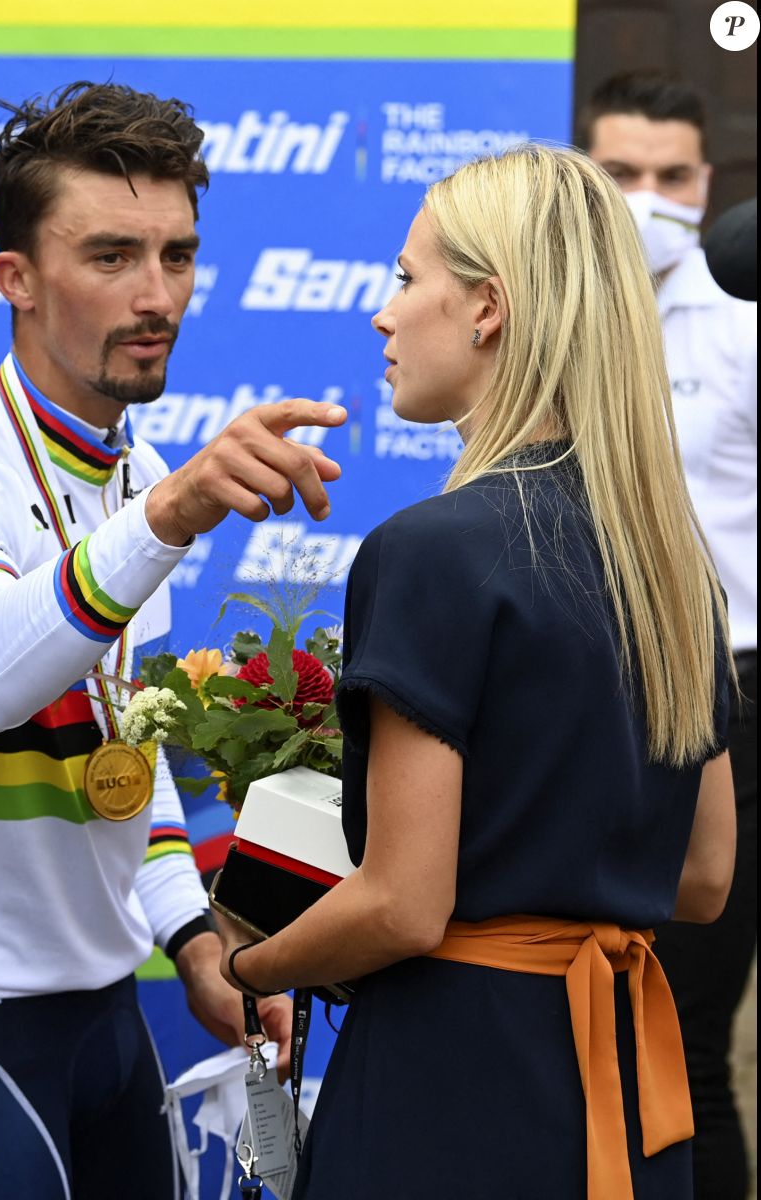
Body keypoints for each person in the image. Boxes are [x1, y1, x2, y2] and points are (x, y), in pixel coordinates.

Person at [0, 80, 349, 1200]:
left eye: (176, 255)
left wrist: (196, 943)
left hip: (109, 1010)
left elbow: (130, 760)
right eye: (111, 255)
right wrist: (165, 522)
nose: (156, 294)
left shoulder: (135, 482)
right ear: (14, 279)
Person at [212, 144, 737, 1200]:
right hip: (625, 1089)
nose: (382, 313)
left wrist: (251, 965)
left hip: (451, 1087)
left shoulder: (433, 549)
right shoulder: (670, 559)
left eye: (407, 278)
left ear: (487, 308)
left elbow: (403, 905)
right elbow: (701, 877)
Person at [583, 72, 757, 1200]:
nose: (647, 198)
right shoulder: (530, 311)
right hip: (569, 703)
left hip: (724, 704)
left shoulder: (746, 321)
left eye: (669, 176)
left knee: (682, 1037)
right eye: (619, 175)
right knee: (578, 1030)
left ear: (705, 182)